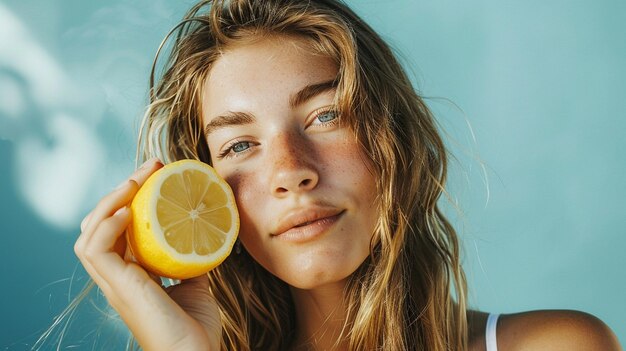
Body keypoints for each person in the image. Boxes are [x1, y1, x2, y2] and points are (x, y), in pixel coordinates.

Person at [73, 0, 622, 350]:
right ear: (211, 196)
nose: (291, 172)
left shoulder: (558, 344)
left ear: (393, 141)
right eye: (240, 144)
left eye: (326, 116)